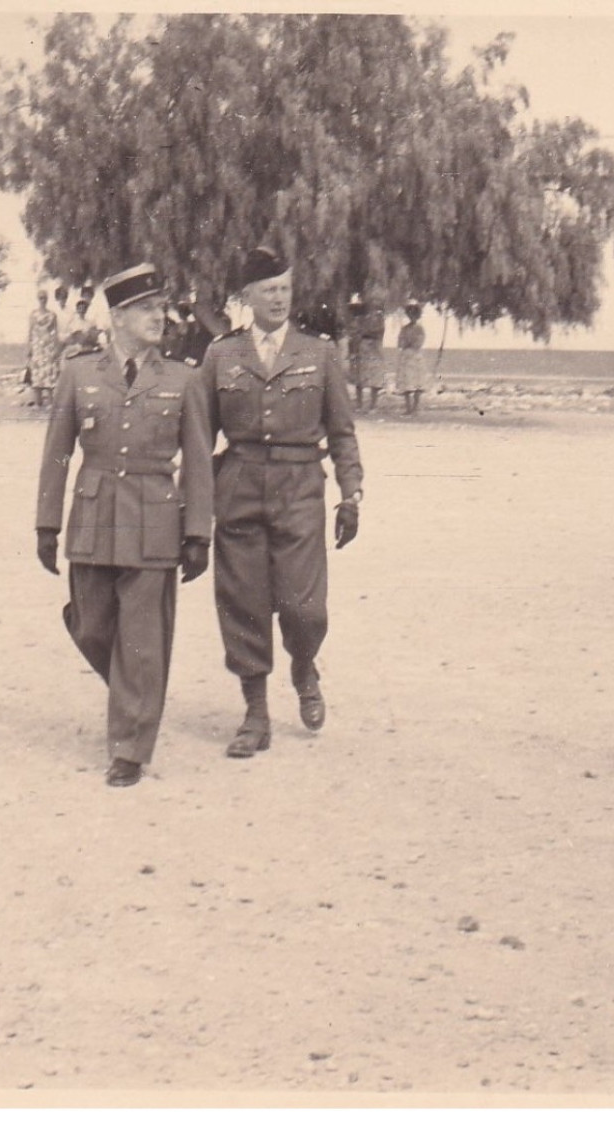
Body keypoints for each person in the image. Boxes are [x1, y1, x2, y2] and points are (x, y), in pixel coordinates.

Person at [34, 262, 214, 788]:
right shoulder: (78, 373)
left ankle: (130, 747)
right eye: (146, 309)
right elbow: (57, 455)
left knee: (140, 638)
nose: (160, 317)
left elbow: (199, 460)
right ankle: (137, 694)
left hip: (154, 520)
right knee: (90, 626)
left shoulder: (182, 378)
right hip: (92, 516)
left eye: (161, 307)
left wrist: (198, 531)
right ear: (118, 317)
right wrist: (46, 525)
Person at [200, 246, 364, 759]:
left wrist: (351, 492)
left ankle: (303, 665)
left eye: (285, 289)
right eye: (268, 290)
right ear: (247, 297)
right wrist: (193, 506)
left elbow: (341, 430)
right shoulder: (221, 355)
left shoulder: (318, 354)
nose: (278, 298)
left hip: (299, 489)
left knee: (304, 606)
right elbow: (199, 435)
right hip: (240, 487)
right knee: (243, 604)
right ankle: (255, 713)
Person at [346, 293, 387, 410]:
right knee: (359, 378)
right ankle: (359, 404)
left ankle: (372, 405)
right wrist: (352, 350)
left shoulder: (377, 318)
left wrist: (364, 334)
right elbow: (352, 337)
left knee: (374, 377)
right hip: (360, 350)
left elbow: (378, 332)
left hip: (373, 349)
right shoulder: (355, 322)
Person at [27, 288, 63, 409]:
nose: (43, 300)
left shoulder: (52, 315)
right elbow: (30, 331)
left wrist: (57, 348)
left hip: (48, 347)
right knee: (37, 374)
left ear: (47, 299)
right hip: (37, 346)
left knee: (49, 373)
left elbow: (55, 332)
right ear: (38, 299)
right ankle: (37, 402)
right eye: (40, 298)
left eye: (44, 298)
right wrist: (29, 347)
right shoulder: (33, 314)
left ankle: (50, 402)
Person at [395, 301, 427, 414]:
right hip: (406, 357)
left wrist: (409, 342)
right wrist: (407, 342)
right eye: (410, 314)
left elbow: (418, 343)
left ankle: (415, 407)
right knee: (407, 384)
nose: (412, 316)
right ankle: (408, 408)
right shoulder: (404, 328)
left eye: (414, 314)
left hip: (416, 356)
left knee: (417, 383)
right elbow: (400, 343)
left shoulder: (420, 329)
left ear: (417, 316)